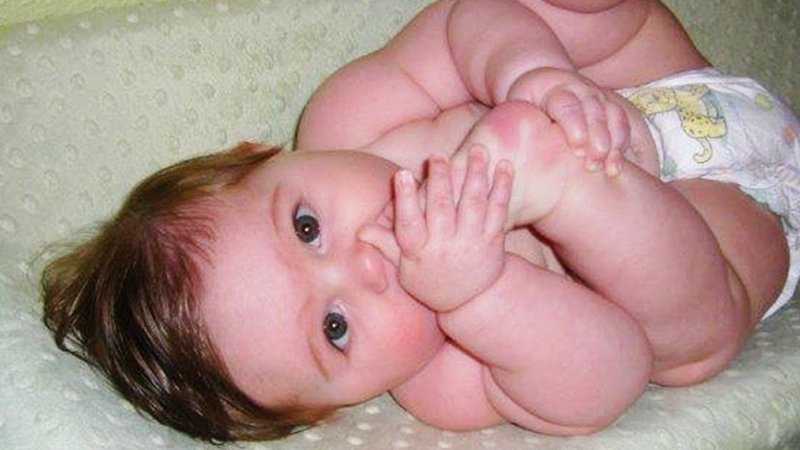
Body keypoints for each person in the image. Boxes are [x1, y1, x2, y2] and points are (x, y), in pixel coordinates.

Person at [40, 0, 798, 443]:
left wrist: (529, 74)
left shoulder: (351, 119)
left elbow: (460, 26)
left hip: (644, 83)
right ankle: (564, 187)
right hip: (732, 215)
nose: (365, 262)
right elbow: (614, 371)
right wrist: (479, 292)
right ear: (338, 405)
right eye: (336, 327)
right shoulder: (444, 378)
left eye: (306, 228)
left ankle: (556, 122)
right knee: (687, 342)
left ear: (262, 153)